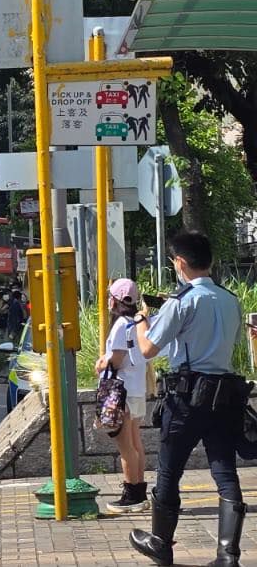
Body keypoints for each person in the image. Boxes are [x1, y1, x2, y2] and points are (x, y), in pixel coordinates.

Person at [128, 232, 248, 567]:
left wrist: (141, 321)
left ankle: (160, 544)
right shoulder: (230, 299)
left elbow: (149, 348)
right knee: (225, 470)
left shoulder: (181, 302)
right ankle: (228, 554)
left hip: (186, 397)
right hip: (223, 397)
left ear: (179, 263)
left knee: (169, 470)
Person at [95, 278, 150, 514]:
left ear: (115, 301)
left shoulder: (119, 326)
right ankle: (140, 492)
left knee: (125, 445)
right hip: (136, 389)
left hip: (120, 391)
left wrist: (101, 363)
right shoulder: (138, 323)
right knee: (136, 442)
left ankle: (131, 494)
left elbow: (116, 360)